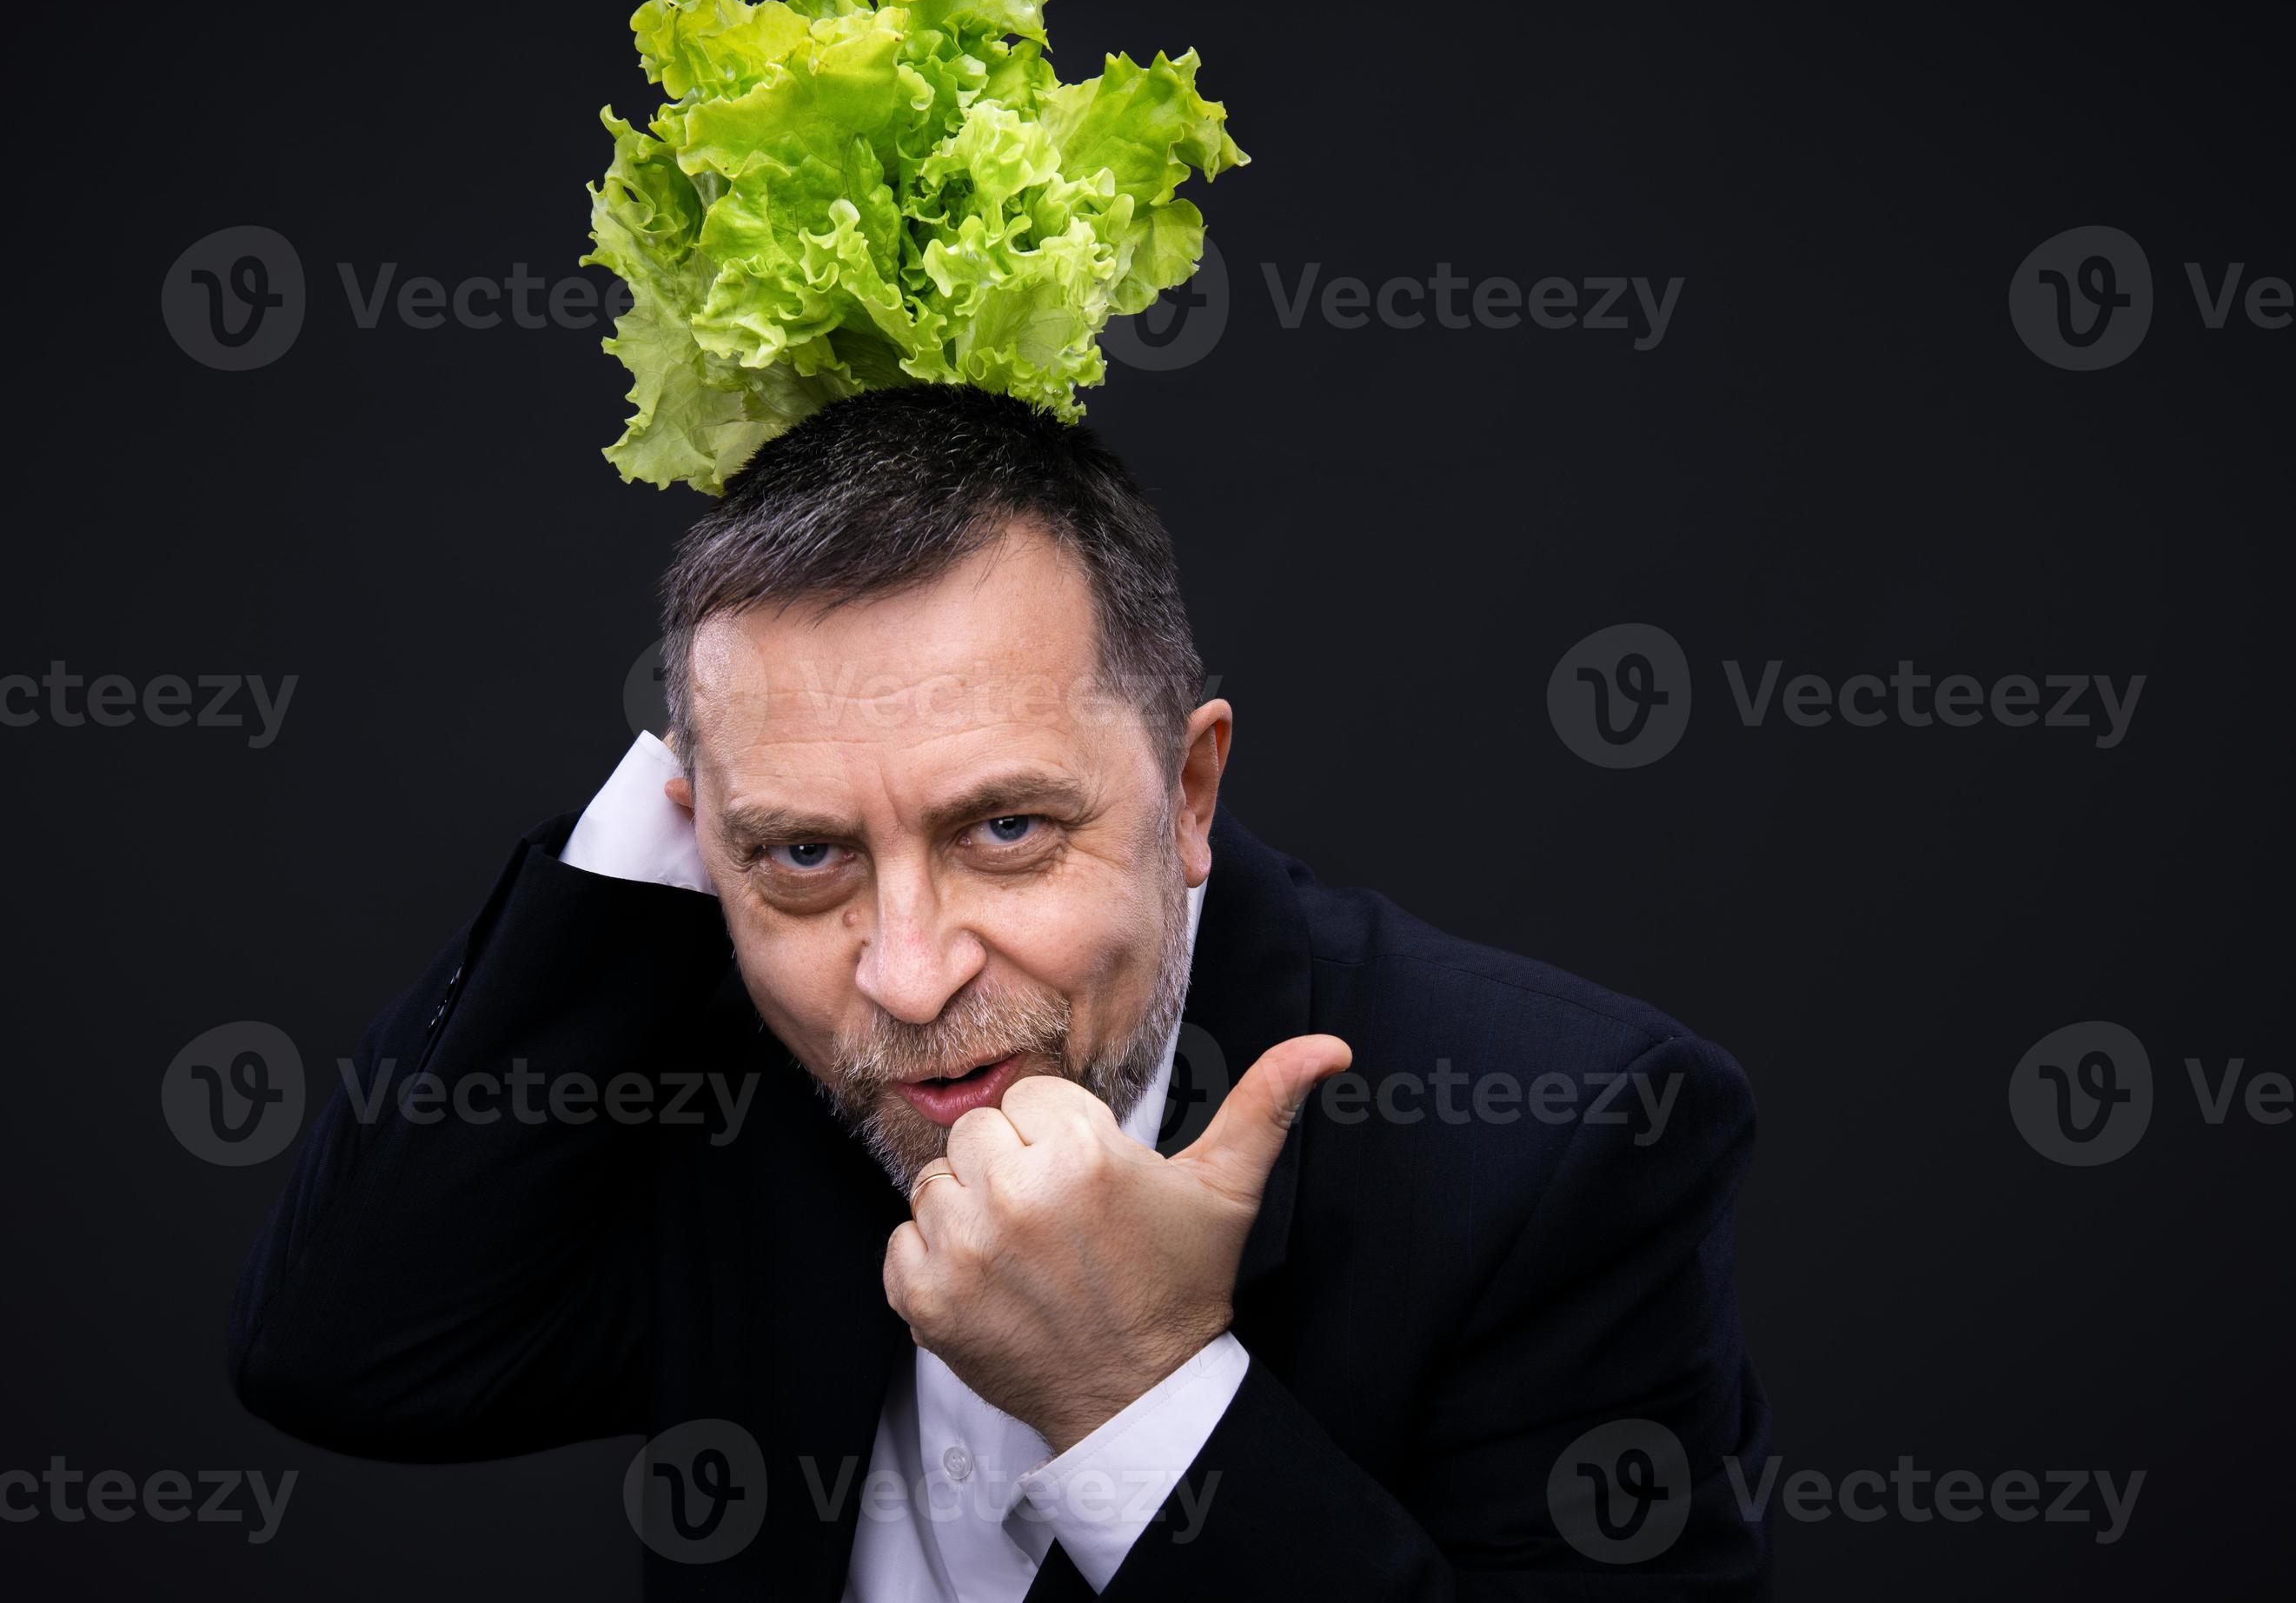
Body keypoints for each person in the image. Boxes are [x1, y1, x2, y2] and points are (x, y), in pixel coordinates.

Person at [229, 382, 1771, 1599]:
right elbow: (351, 1352)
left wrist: (1132, 1391)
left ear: (1188, 790)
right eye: (807, 854)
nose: (906, 981)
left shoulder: (1554, 1139)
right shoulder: (714, 1068)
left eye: (1007, 830)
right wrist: (715, 774)